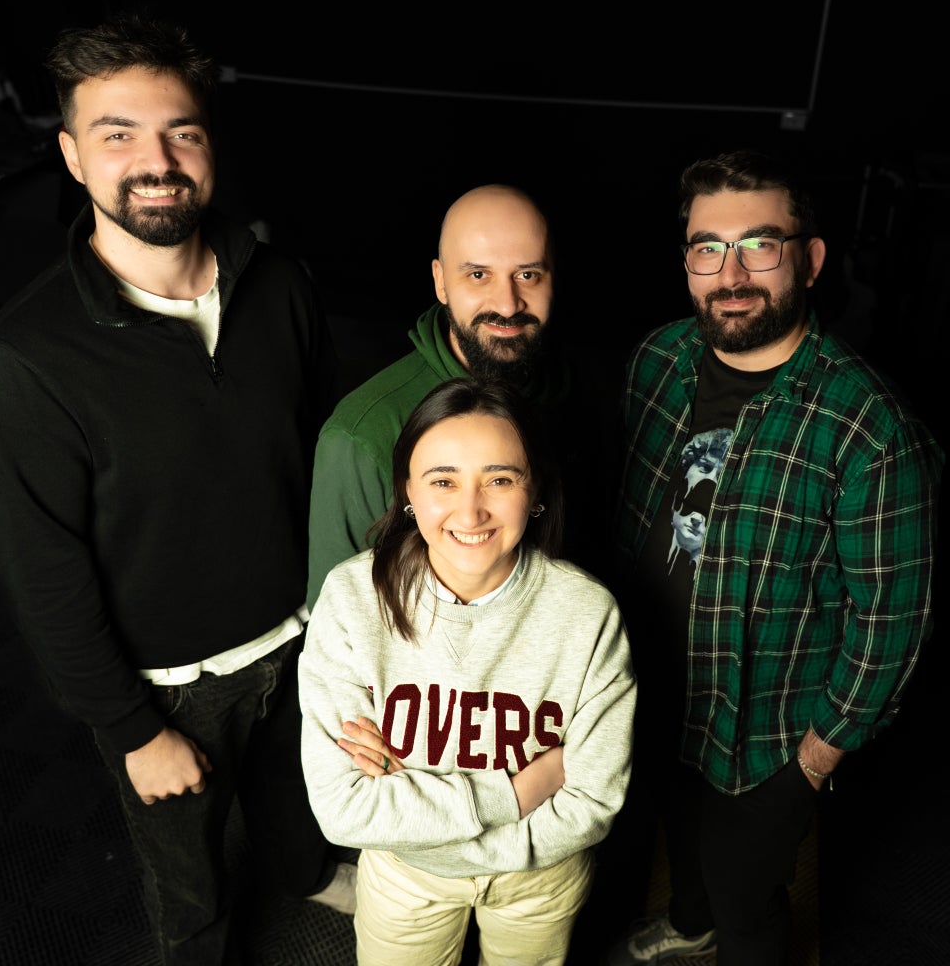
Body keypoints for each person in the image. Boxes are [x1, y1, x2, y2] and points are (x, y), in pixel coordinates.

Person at [0, 12, 349, 965]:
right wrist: (133, 730)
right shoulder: (25, 357)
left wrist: (338, 622)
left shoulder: (281, 284)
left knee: (294, 800)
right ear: (70, 156)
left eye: (181, 130)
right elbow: (44, 575)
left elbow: (314, 451)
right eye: (118, 134)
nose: (157, 161)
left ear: (209, 144)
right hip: (171, 690)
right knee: (188, 883)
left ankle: (305, 872)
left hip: (299, 638)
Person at [604, 148, 944, 966]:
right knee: (679, 839)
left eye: (759, 245)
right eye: (708, 248)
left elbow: (893, 626)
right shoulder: (655, 362)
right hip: (645, 693)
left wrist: (814, 758)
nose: (731, 274)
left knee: (747, 896)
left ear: (811, 259)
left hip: (763, 737)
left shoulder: (870, 428)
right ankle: (690, 925)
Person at [298, 376, 637, 966]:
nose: (471, 510)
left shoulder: (586, 613)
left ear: (534, 491)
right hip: (406, 875)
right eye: (443, 481)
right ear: (408, 491)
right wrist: (519, 790)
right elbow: (342, 809)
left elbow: (593, 802)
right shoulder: (352, 597)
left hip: (540, 878)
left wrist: (413, 802)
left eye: (500, 479)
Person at [304, 182, 619, 612]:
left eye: (528, 275)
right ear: (440, 282)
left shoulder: (590, 398)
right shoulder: (364, 431)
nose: (507, 305)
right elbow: (336, 622)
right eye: (478, 275)